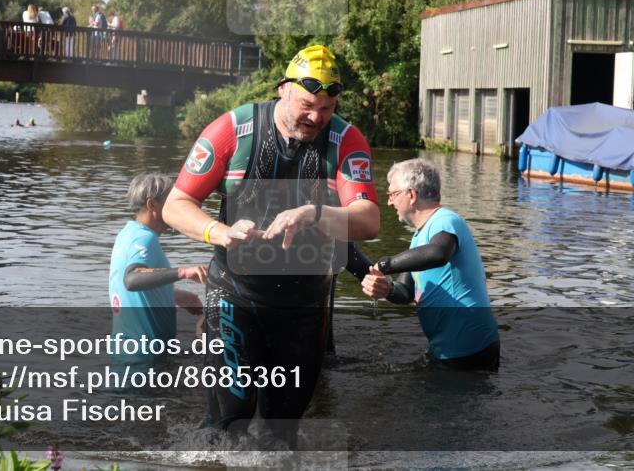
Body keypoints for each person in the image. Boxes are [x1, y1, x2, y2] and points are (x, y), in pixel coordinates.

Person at [162, 44, 380, 444]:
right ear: (283, 89)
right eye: (307, 105)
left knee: (283, 432)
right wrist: (220, 232)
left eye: (327, 108)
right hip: (234, 294)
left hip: (304, 304)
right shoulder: (232, 129)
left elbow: (368, 221)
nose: (316, 118)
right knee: (229, 422)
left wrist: (314, 212)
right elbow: (175, 206)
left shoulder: (345, 140)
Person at [362, 158, 500, 371]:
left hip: (470, 349)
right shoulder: (419, 238)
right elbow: (406, 292)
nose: (389, 202)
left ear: (411, 195)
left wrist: (385, 264)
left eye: (392, 194)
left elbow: (438, 253)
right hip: (448, 348)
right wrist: (387, 289)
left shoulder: (446, 220)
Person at [110, 174, 208, 354]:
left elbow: (128, 290)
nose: (176, 210)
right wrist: (183, 272)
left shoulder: (127, 234)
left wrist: (174, 295)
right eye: (170, 204)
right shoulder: (144, 239)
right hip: (144, 357)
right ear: (152, 205)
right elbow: (131, 280)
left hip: (129, 350)